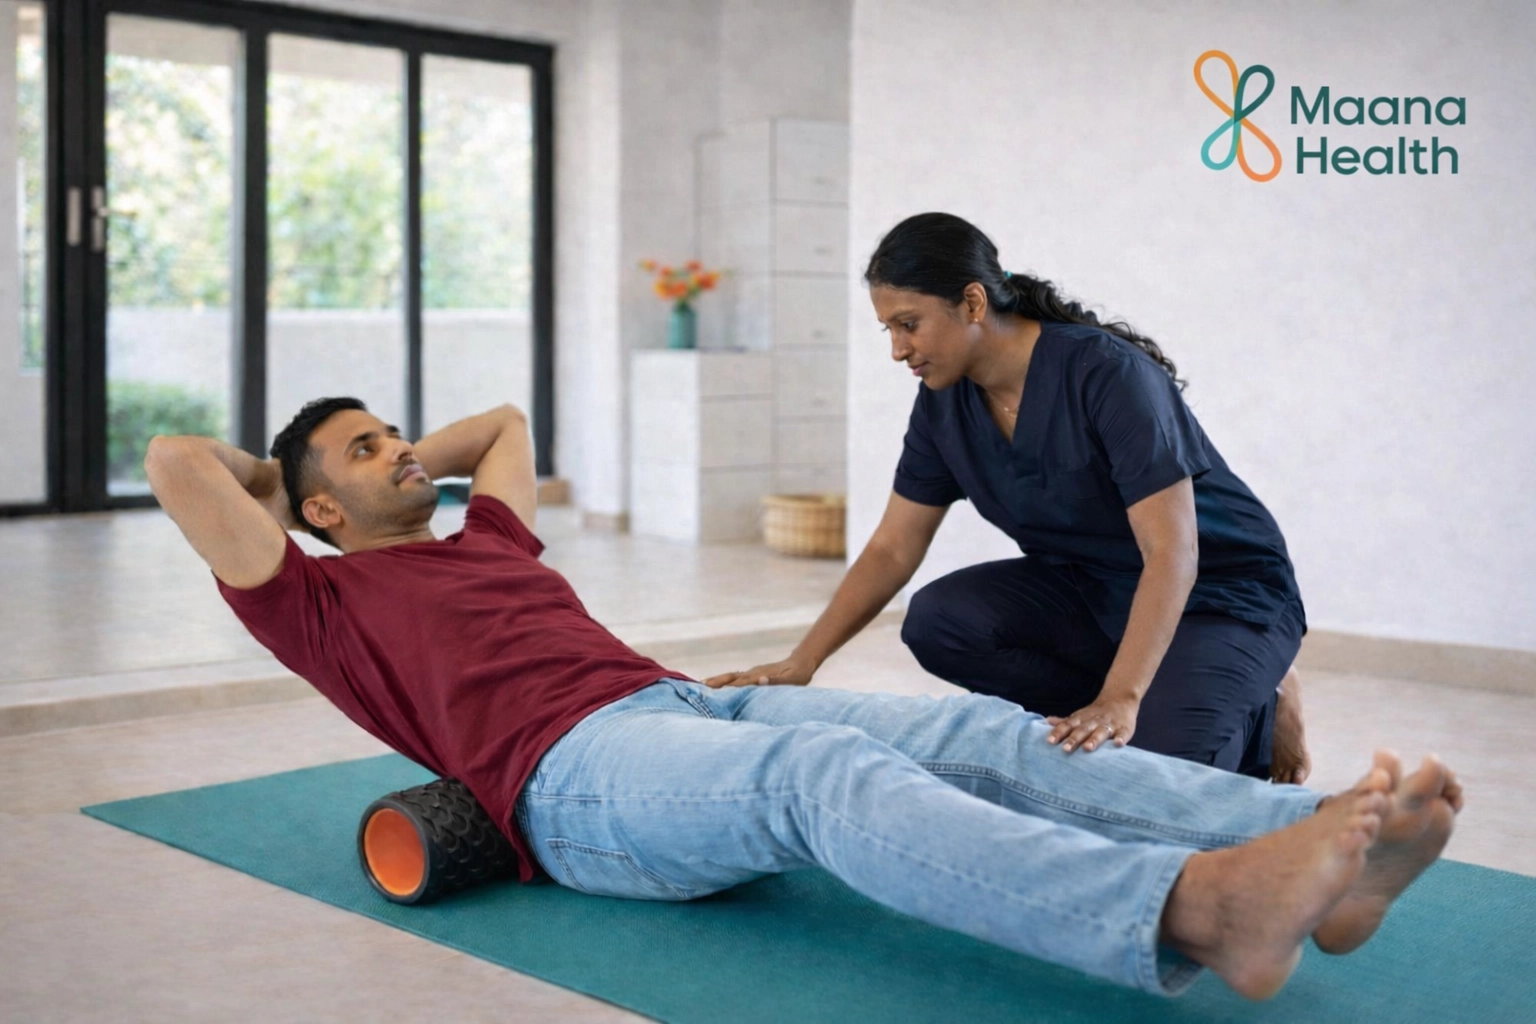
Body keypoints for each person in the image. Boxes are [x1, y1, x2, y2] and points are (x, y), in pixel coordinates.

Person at [144, 397, 1459, 1001]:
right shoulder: (308, 601)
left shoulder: (486, 538)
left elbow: (496, 425)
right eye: (367, 451)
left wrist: (393, 467)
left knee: (969, 729)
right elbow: (169, 459)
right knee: (827, 782)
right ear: (314, 506)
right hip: (569, 785)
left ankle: (1321, 853)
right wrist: (300, 493)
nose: (398, 454)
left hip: (680, 707)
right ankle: (1198, 910)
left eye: (391, 437)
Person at [710, 212, 1310, 782]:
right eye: (888, 328)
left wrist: (1121, 698)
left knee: (1159, 772)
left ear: (972, 302)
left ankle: (1257, 698)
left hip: (1221, 594)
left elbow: (1173, 551)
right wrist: (803, 661)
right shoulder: (944, 400)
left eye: (908, 323)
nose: (897, 349)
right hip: (1094, 589)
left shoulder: (1105, 374)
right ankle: (1148, 700)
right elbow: (894, 548)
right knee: (941, 621)